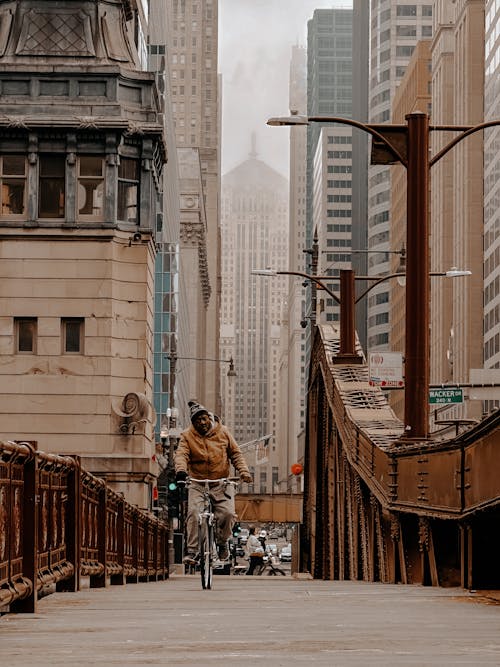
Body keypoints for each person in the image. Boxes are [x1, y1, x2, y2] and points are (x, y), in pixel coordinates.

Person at [175, 399, 253, 564]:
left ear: (209, 417)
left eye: (203, 418)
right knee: (194, 514)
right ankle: (192, 551)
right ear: (193, 423)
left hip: (221, 483)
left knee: (228, 514)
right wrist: (181, 471)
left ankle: (222, 542)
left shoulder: (223, 432)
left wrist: (244, 471)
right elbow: (181, 455)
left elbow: (236, 454)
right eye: (197, 420)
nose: (201, 423)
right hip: (198, 483)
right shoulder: (187, 436)